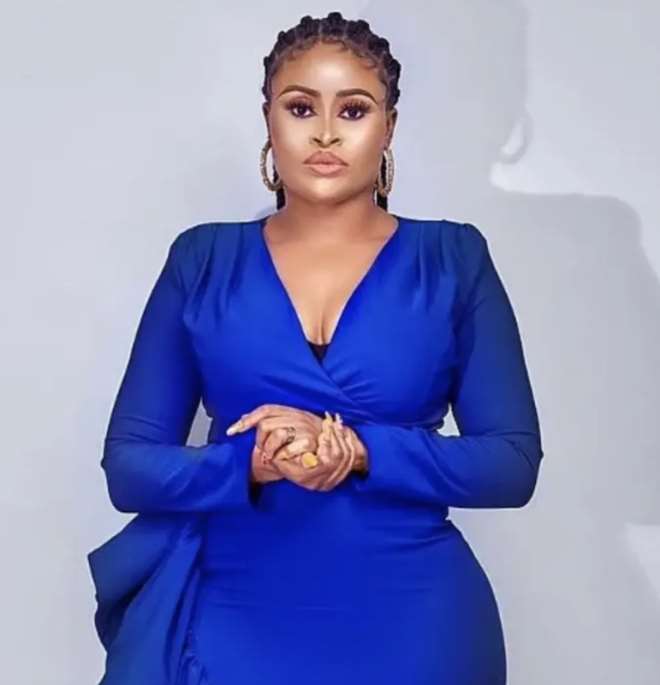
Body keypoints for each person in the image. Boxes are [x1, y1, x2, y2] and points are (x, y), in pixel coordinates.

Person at [90, 11, 544, 685]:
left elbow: (512, 464)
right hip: (234, 616)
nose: (326, 133)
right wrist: (252, 463)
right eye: (301, 107)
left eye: (353, 110)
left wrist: (358, 450)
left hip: (417, 625)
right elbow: (127, 467)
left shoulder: (452, 260)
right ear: (268, 120)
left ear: (389, 127)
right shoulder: (203, 261)